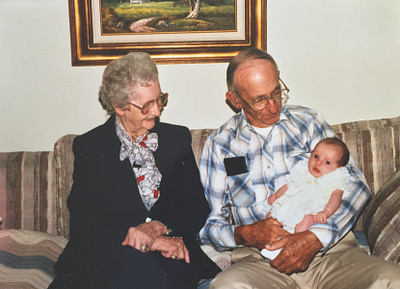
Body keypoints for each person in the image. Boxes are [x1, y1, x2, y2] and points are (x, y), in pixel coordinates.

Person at [199, 48, 400, 288]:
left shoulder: (309, 122)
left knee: (393, 280)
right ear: (235, 100)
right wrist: (244, 233)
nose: (273, 107)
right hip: (261, 262)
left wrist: (317, 237)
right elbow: (208, 226)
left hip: (331, 256)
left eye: (276, 93)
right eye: (260, 100)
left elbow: (356, 184)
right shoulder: (220, 145)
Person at [49, 52, 220, 289]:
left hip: (171, 254)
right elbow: (85, 221)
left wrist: (158, 228)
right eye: (147, 105)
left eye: (160, 99)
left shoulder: (176, 139)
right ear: (119, 107)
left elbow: (196, 206)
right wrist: (150, 241)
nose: (157, 111)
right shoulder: (91, 147)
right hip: (111, 254)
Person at [261, 138, 350, 260]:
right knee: (271, 216)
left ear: (338, 168)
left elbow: (336, 198)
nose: (318, 163)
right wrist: (277, 195)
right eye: (316, 156)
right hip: (288, 206)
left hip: (308, 210)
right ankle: (271, 243)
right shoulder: (302, 171)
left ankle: (291, 247)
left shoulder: (334, 179)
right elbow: (288, 185)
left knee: (306, 222)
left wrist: (326, 212)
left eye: (327, 162)